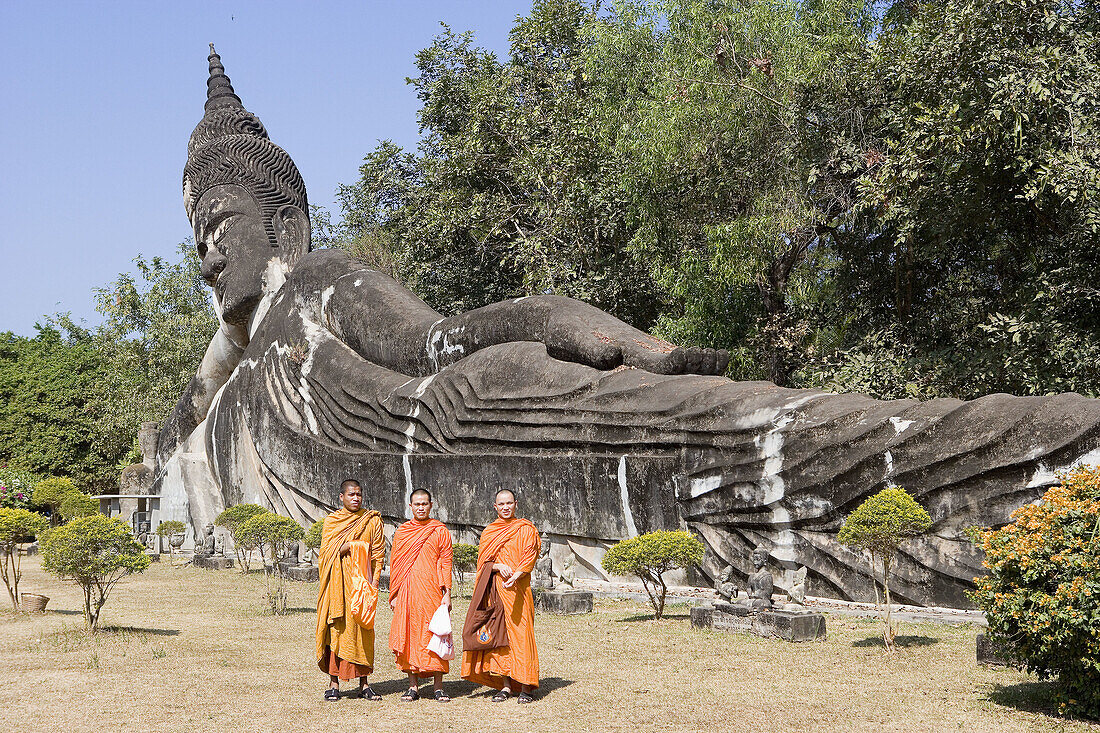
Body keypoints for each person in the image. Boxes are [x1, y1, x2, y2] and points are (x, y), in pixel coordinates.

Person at [462, 489, 540, 703]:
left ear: (516, 504)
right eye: (501, 504)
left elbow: (529, 556)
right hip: (496, 593)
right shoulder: (490, 532)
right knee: (500, 638)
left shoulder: (525, 529)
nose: (506, 507)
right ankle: (505, 686)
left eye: (509, 503)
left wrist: (516, 575)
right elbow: (483, 564)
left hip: (519, 593)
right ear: (494, 507)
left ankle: (526, 686)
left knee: (522, 637)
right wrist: (497, 566)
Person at [315, 479, 385, 701]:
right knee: (337, 630)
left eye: (359, 495)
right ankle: (333, 684)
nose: (356, 499)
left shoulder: (371, 521)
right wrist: (352, 545)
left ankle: (365, 684)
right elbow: (325, 554)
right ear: (341, 497)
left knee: (363, 632)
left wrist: (374, 585)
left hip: (362, 586)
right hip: (337, 586)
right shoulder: (332, 521)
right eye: (351, 495)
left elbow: (378, 555)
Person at [389, 488, 454, 702]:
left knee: (436, 635)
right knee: (410, 636)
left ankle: (438, 687)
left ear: (431, 505)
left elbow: (445, 562)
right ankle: (413, 686)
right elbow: (396, 564)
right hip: (408, 591)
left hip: (432, 592)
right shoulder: (403, 532)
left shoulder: (439, 530)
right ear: (410, 506)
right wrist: (395, 593)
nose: (420, 507)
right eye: (417, 504)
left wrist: (447, 593)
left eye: (424, 504)